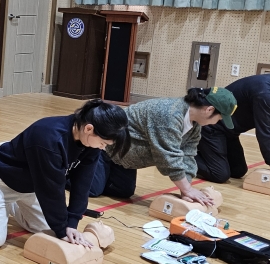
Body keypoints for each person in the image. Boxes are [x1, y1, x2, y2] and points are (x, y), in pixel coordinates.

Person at [0, 99, 129, 249]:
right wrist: (63, 229)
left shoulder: (90, 145)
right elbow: (52, 190)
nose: (103, 148)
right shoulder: (49, 139)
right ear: (89, 129)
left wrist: (71, 223)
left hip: (30, 186)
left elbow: (82, 184)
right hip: (0, 180)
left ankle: (8, 208)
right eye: (103, 143)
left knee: (48, 229)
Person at [90, 87, 237, 203]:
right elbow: (167, 158)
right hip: (104, 150)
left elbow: (188, 156)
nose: (218, 122)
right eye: (219, 118)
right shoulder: (169, 114)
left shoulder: (195, 127)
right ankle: (73, 171)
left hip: (123, 161)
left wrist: (186, 191)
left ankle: (99, 176)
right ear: (209, 110)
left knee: (124, 192)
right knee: (92, 190)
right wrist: (187, 189)